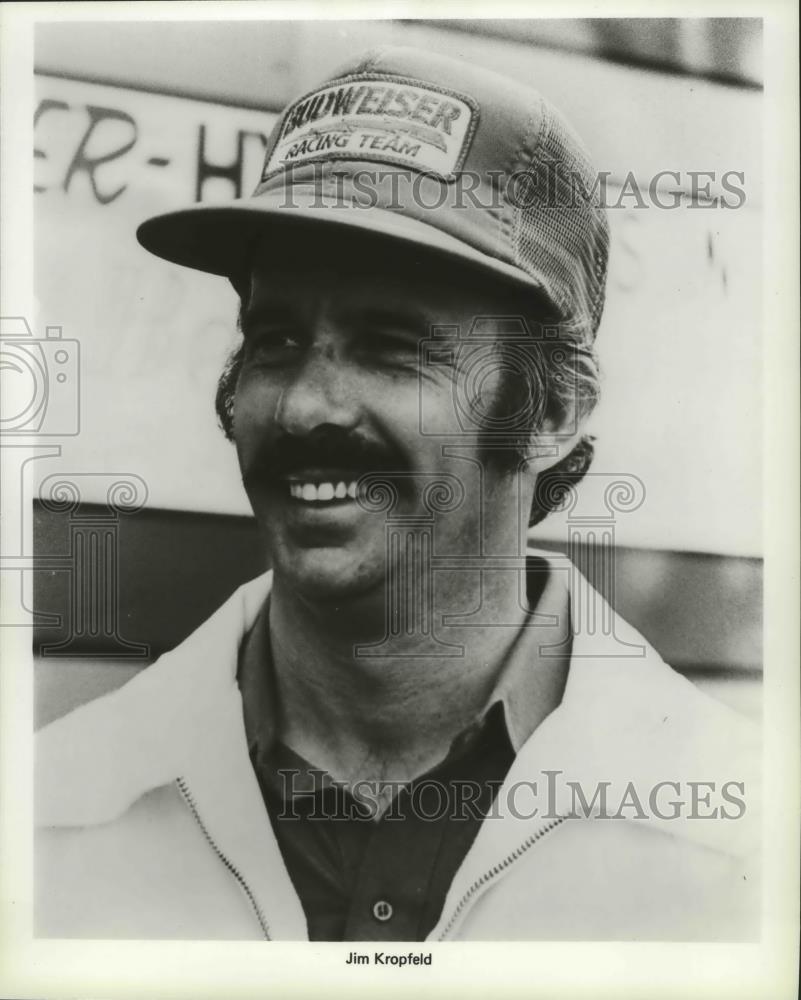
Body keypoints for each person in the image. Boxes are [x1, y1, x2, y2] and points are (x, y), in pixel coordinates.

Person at [35, 45, 759, 942]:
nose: (305, 405)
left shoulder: (746, 841)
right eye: (276, 341)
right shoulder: (52, 814)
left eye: (392, 347)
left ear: (552, 409)